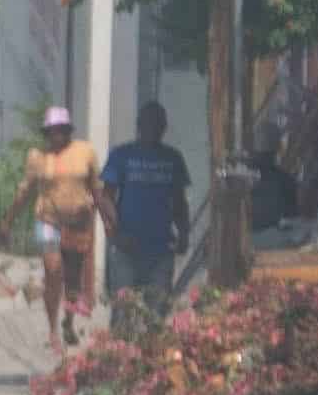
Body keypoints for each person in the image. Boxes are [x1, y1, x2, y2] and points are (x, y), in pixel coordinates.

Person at [97, 97, 194, 325]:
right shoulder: (121, 155)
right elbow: (106, 198)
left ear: (164, 128)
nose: (154, 128)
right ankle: (118, 358)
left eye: (159, 124)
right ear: (139, 125)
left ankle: (150, 359)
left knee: (156, 315)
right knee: (123, 313)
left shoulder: (173, 158)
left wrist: (184, 234)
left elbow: (179, 201)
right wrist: (115, 234)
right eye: (149, 123)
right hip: (126, 249)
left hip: (160, 250)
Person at [22, 100, 102, 349]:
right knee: (53, 269)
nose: (57, 135)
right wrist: (8, 219)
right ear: (47, 133)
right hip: (48, 220)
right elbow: (24, 190)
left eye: (61, 130)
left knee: (72, 277)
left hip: (78, 223)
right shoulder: (38, 157)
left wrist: (107, 218)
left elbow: (96, 187)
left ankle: (68, 320)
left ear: (68, 130)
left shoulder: (85, 151)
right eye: (52, 131)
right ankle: (53, 329)